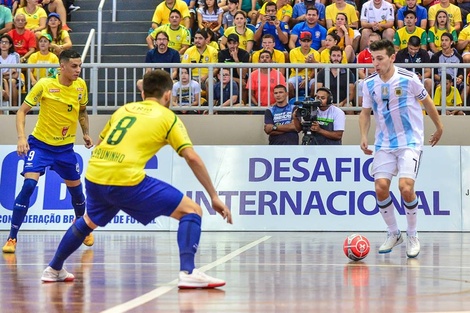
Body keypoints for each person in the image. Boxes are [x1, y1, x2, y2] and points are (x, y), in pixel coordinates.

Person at [40, 69, 233, 285]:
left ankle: (53, 268)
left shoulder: (124, 110)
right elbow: (192, 158)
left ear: (143, 93)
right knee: (192, 210)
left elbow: (101, 143)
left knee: (88, 221)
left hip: (95, 174)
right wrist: (214, 196)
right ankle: (188, 273)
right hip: (125, 179)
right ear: (168, 95)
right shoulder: (168, 117)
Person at [2, 49, 94, 254]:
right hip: (40, 146)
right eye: (74, 66)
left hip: (65, 149)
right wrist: (21, 137)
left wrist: (86, 132)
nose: (78, 70)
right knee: (28, 186)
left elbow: (82, 111)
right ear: (62, 67)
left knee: (77, 194)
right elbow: (21, 111)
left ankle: (84, 227)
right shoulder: (45, 85)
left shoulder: (80, 86)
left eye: (80, 66)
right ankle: (12, 238)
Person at [359, 39, 443, 259]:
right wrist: (363, 136)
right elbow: (365, 113)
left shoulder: (409, 79)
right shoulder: (368, 83)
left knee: (405, 188)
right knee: (380, 188)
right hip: (384, 142)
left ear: (392, 57)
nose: (375, 63)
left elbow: (427, 103)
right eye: (372, 59)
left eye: (380, 58)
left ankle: (412, 234)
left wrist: (439, 126)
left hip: (410, 141)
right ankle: (394, 233)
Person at [316, 45, 355, 109]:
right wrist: (327, 103)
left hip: (343, 103)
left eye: (338, 56)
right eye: (334, 56)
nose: (336, 58)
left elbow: (351, 94)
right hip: (326, 103)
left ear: (342, 57)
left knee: (349, 108)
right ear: (329, 57)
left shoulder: (348, 72)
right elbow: (318, 91)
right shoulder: (322, 73)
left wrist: (342, 103)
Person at [288, 31, 320, 98]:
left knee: (315, 85)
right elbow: (296, 69)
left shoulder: (316, 53)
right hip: (296, 76)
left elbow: (315, 70)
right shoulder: (293, 52)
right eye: (304, 41)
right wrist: (307, 63)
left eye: (308, 41)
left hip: (310, 77)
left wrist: (308, 78)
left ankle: (312, 104)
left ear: (311, 42)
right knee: (289, 85)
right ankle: (292, 104)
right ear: (300, 41)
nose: (306, 43)